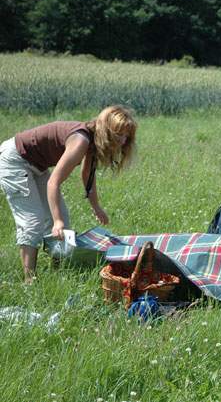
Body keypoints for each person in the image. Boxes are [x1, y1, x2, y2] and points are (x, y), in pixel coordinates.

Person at [0, 105, 137, 283]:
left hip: (37, 166)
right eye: (119, 135)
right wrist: (57, 221)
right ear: (106, 130)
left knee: (63, 223)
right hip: (15, 160)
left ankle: (57, 270)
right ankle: (29, 281)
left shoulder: (92, 140)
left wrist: (96, 207)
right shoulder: (81, 139)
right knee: (33, 221)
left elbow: (87, 175)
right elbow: (53, 183)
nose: (123, 141)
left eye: (127, 136)